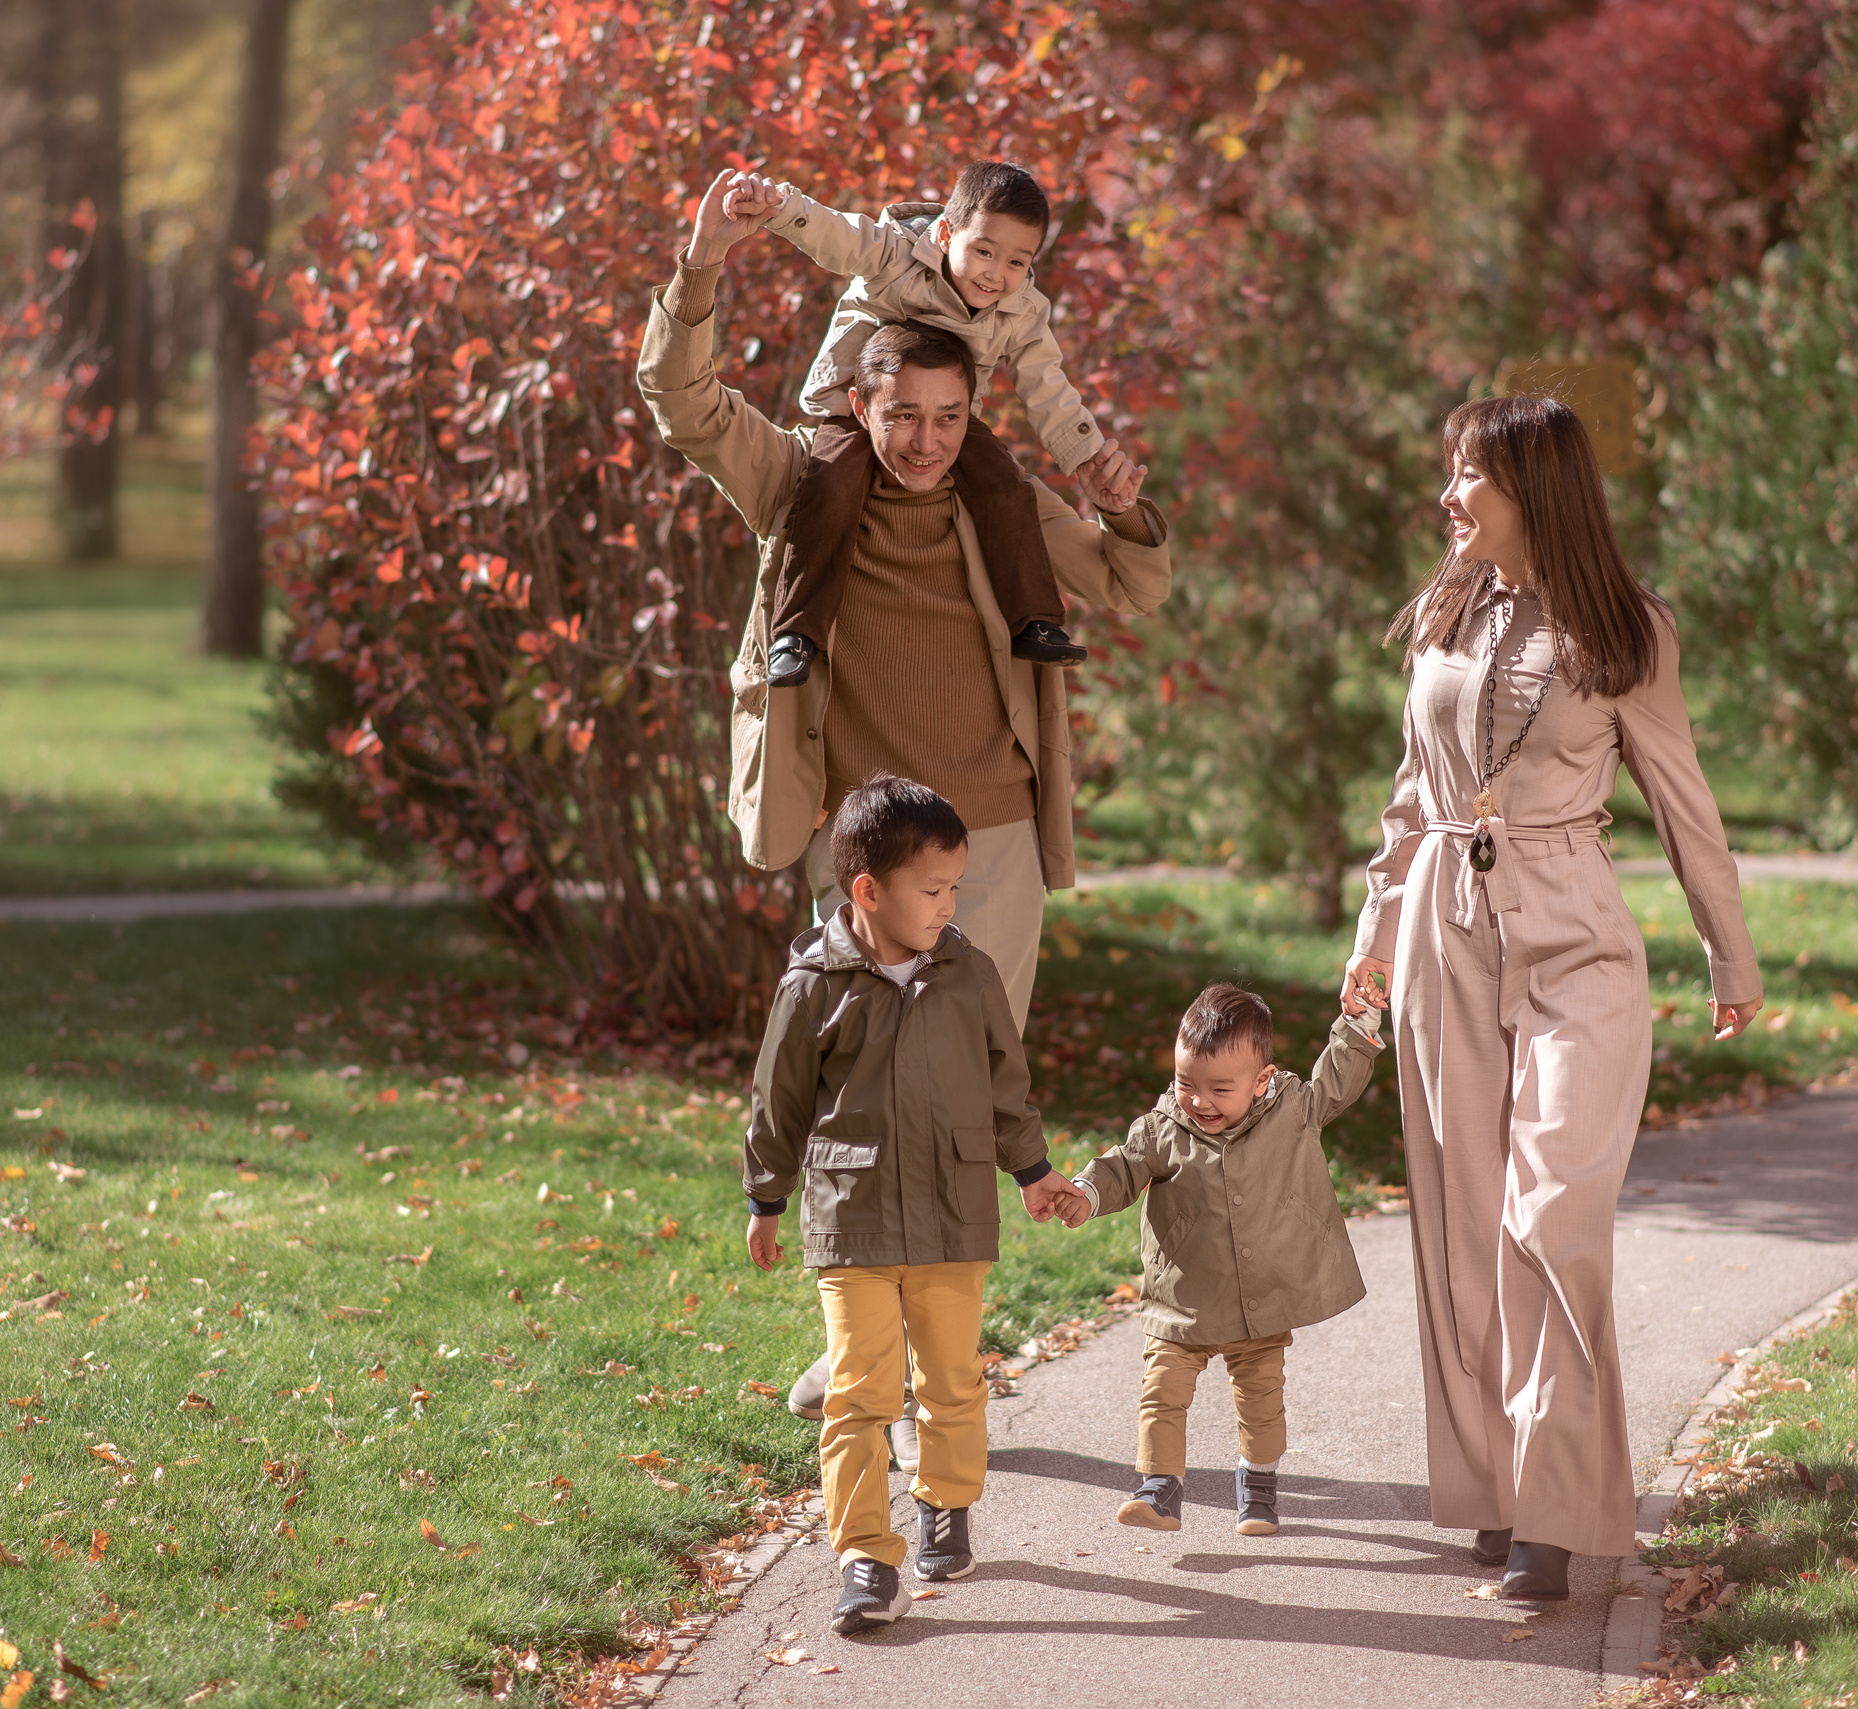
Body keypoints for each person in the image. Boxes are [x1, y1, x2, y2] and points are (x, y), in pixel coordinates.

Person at [1339, 394, 1763, 1600]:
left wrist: (1726, 953)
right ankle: (1495, 1488)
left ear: (1534, 489)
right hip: (1438, 927)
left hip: (1575, 929)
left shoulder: (1627, 632)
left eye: (1468, 476)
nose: (1447, 498)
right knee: (1463, 1224)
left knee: (1551, 1212)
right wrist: (1375, 936)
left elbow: (1685, 799)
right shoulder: (1444, 611)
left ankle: (1559, 1510)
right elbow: (1408, 797)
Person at [635, 167, 1172, 1036]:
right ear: (859, 404)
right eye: (904, 417)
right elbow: (682, 402)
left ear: (973, 410)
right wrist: (703, 261)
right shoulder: (799, 483)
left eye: (950, 418)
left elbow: (1130, 583)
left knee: (975, 1086)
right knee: (859, 1086)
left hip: (994, 835)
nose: (928, 442)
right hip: (862, 833)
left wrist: (1116, 506)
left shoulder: (1005, 501)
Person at [743, 776, 1086, 1635]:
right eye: (932, 889)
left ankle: (945, 1503)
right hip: (851, 1214)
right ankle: (864, 1553)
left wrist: (1033, 1169)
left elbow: (1007, 1083)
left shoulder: (968, 973)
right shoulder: (814, 983)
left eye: (954, 887)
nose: (948, 904)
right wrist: (766, 1197)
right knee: (860, 1391)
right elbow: (777, 1100)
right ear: (867, 890)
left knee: (951, 1380)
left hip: (952, 1211)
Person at [717, 160, 1106, 685]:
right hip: (858, 410)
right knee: (831, 486)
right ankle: (797, 633)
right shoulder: (898, 254)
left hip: (945, 420)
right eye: (984, 251)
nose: (997, 273)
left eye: (1018, 261)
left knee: (1007, 487)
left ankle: (1034, 620)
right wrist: (781, 207)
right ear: (946, 234)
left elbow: (1047, 386)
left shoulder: (1021, 310)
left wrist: (1087, 456)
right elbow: (840, 236)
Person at [1057, 983, 1380, 1537]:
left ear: (1261, 1081)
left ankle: (1257, 1485)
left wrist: (1360, 1021)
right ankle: (1158, 1488)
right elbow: (1122, 1168)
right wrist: (1086, 1193)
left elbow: (1338, 1079)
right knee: (1161, 1391)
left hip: (1260, 1299)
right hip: (1182, 1300)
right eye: (1187, 1084)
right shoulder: (1162, 1129)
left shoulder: (1294, 1109)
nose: (1200, 1101)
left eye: (1219, 1089)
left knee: (1260, 1398)